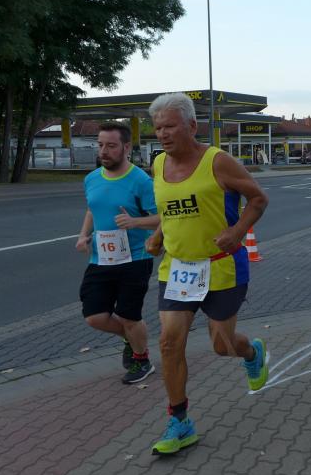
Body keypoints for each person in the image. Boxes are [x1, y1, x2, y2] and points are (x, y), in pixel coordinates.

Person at [144, 92, 269, 455]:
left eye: (170, 126)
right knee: (169, 342)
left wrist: (237, 231)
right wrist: (158, 236)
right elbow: (171, 210)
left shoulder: (218, 161)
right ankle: (180, 421)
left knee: (223, 346)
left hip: (221, 266)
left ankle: (252, 353)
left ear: (192, 125)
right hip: (177, 269)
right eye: (158, 128)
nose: (163, 134)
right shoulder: (158, 164)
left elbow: (258, 198)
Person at [76, 122, 159, 384]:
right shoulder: (92, 178)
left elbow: (162, 217)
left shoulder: (141, 181)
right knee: (94, 316)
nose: (104, 151)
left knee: (128, 316)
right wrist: (83, 234)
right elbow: (92, 209)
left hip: (135, 258)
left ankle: (142, 360)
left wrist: (135, 222)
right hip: (101, 258)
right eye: (100, 145)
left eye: (111, 146)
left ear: (126, 147)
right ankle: (130, 339)